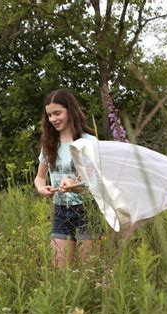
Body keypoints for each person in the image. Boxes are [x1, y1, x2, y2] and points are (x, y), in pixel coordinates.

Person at [34, 88, 98, 268]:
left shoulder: (89, 142)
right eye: (49, 115)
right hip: (61, 211)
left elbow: (94, 183)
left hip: (88, 211)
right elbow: (39, 177)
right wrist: (41, 188)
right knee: (61, 275)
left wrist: (74, 185)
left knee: (90, 273)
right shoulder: (49, 144)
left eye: (57, 113)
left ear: (70, 111)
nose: (53, 119)